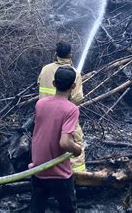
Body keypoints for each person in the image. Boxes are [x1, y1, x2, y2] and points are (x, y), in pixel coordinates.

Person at [31, 66, 82, 213]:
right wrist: (77, 149)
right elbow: (64, 142)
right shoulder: (71, 109)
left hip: (38, 168)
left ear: (53, 83)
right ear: (73, 86)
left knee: (36, 208)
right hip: (59, 173)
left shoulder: (40, 103)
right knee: (68, 209)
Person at [38, 42, 86, 172]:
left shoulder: (45, 69)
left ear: (55, 53)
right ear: (70, 54)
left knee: (47, 143)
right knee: (76, 141)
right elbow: (78, 98)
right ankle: (78, 175)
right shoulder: (73, 73)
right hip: (65, 115)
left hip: (44, 114)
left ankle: (49, 170)